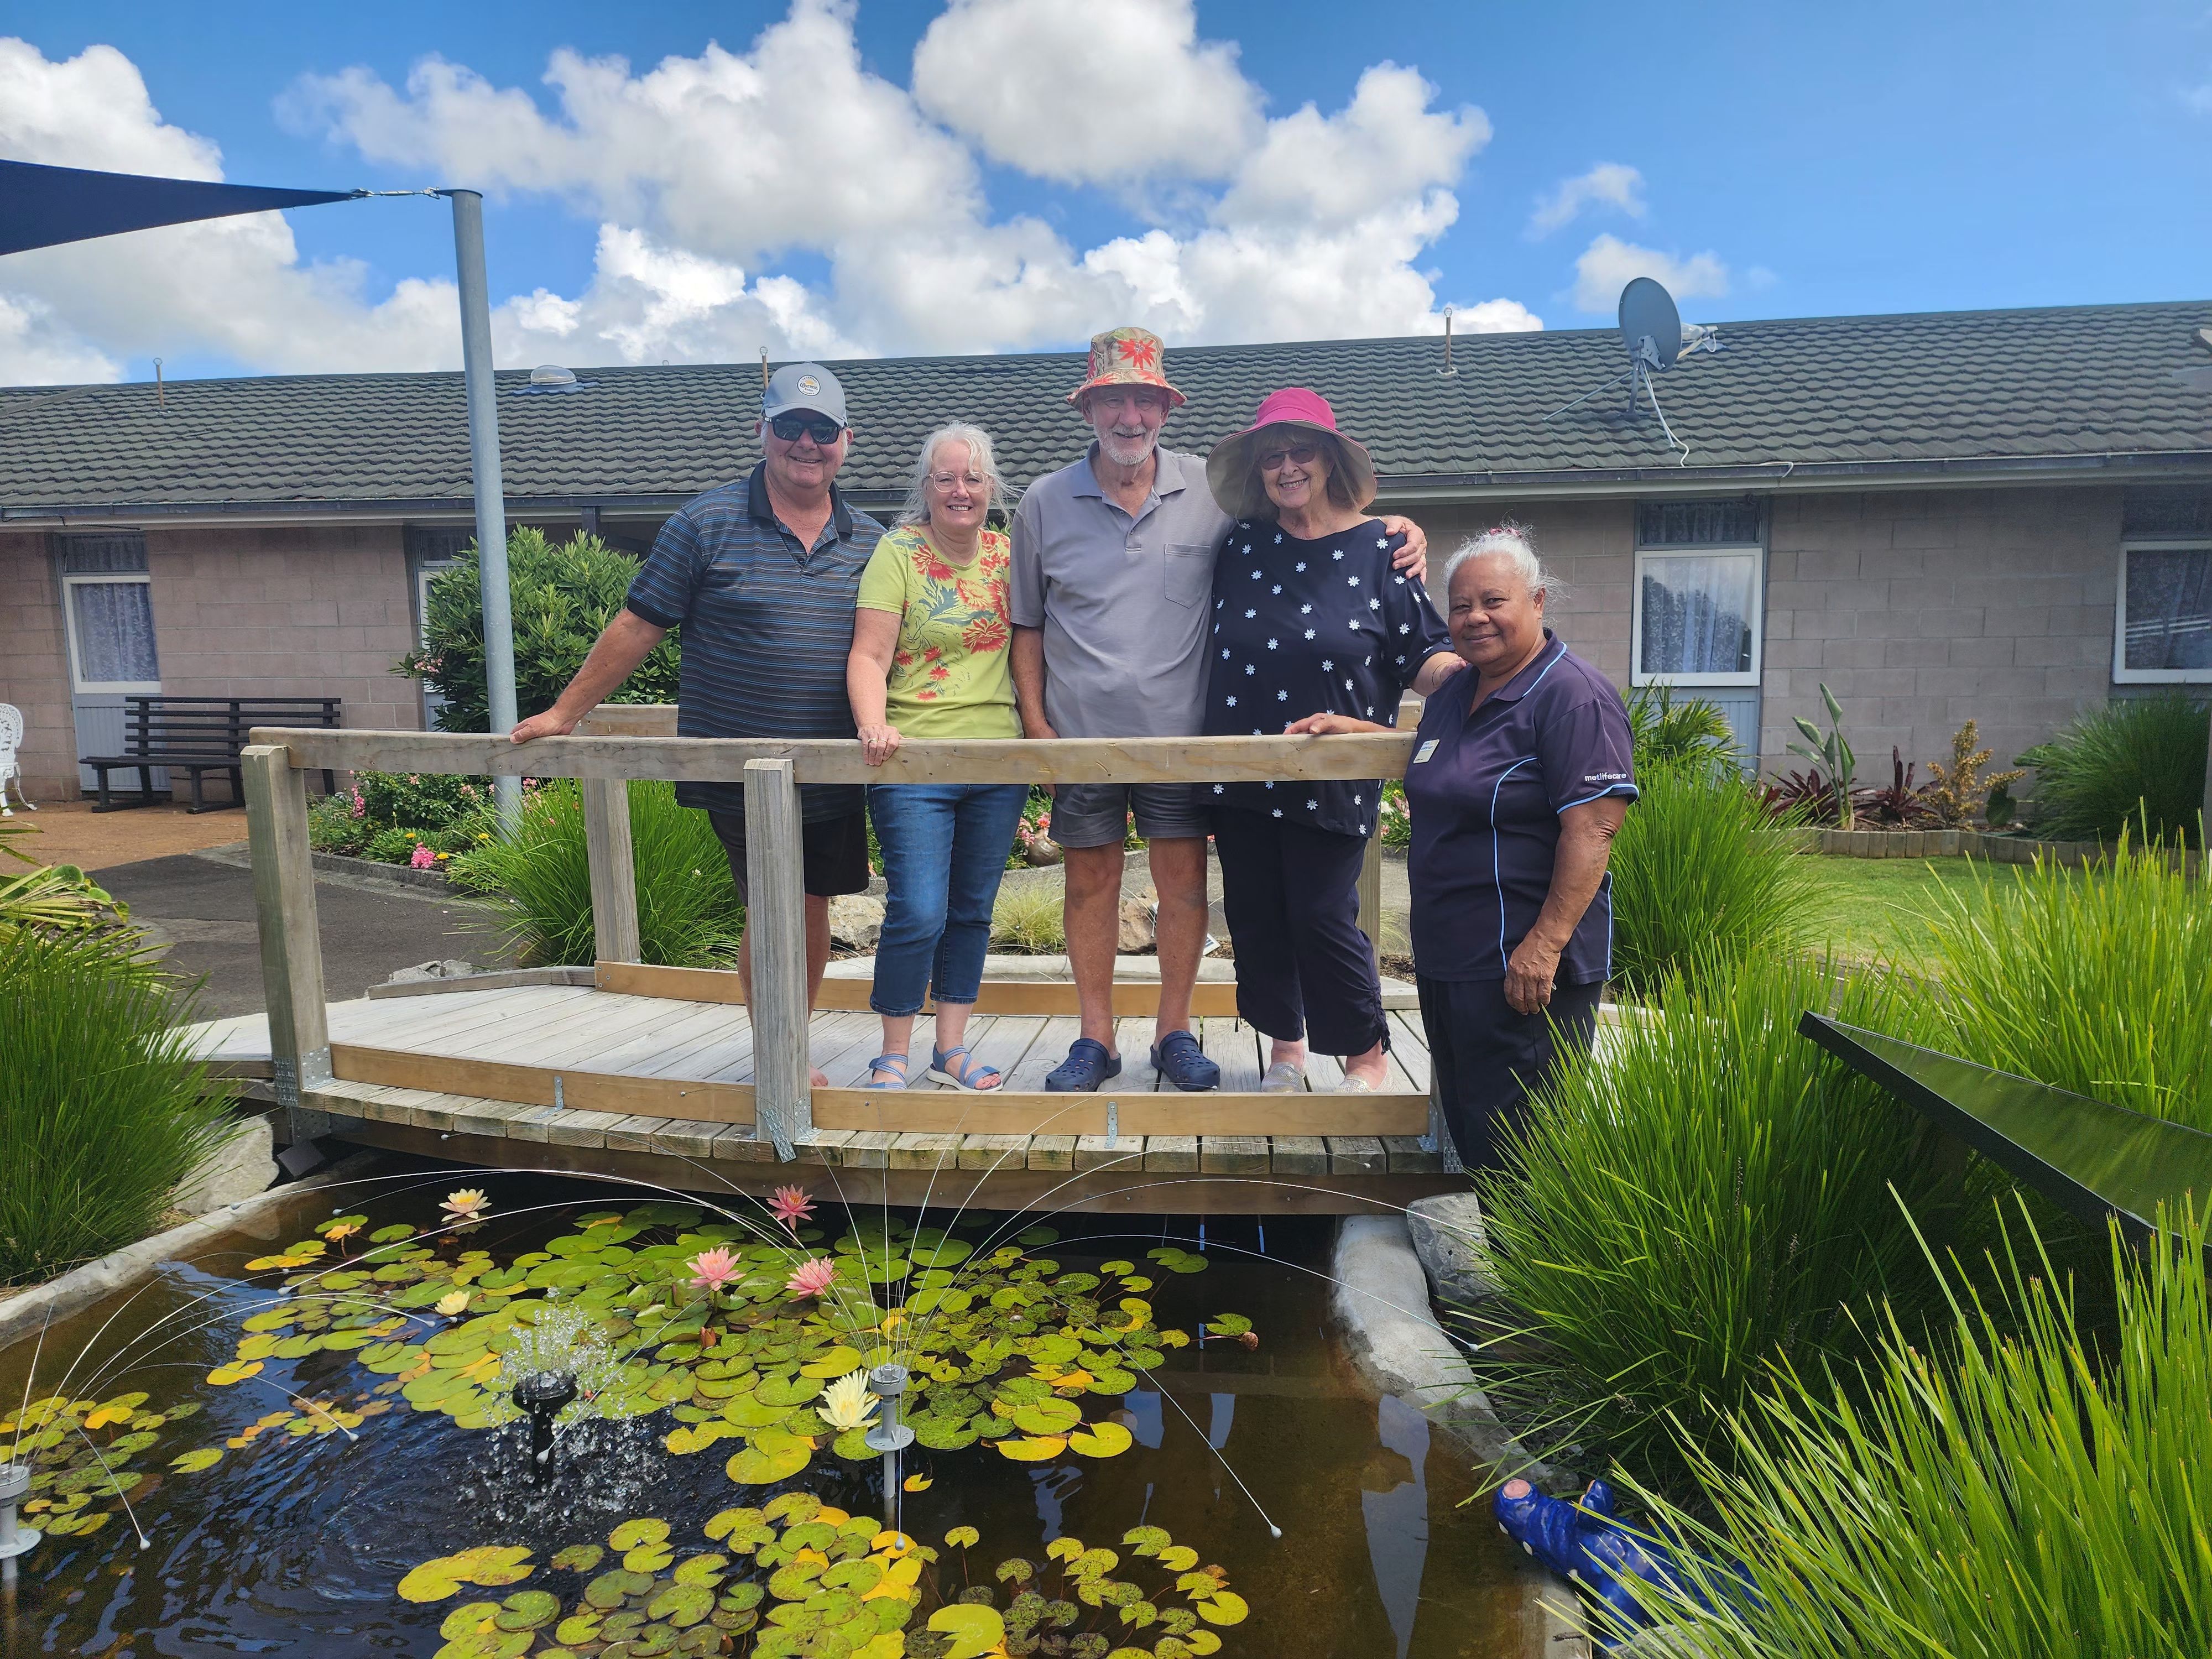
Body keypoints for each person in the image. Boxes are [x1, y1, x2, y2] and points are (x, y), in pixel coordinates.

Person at [1009, 326, 1431, 1093]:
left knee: (1188, 890)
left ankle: (1174, 1033)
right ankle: (1096, 1039)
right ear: (1088, 409)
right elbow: (1028, 625)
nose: (1130, 417)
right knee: (1093, 887)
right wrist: (1039, 731)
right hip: (1082, 738)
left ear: (1167, 409)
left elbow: (1327, 533)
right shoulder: (1044, 501)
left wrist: (1400, 530)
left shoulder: (1211, 494)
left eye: (1144, 400)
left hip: (1189, 742)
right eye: (1113, 401)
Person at [508, 362, 880, 1086]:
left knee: (811, 903)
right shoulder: (704, 523)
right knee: (771, 902)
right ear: (762, 431)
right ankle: (779, 1053)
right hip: (739, 766)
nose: (806, 443)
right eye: (790, 427)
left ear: (846, 441)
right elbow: (637, 625)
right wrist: (565, 712)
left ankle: (791, 1036)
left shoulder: (870, 538)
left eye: (822, 429)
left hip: (833, 767)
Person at [1287, 524, 1635, 1171]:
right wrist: (1354, 730)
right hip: (1452, 959)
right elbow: (1440, 757)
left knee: (1525, 1153)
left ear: (1537, 601)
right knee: (1477, 1138)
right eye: (1460, 606)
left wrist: (1545, 946)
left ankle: (1527, 1245)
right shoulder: (1458, 690)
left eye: (1493, 601)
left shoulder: (1572, 697)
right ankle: (1493, 1240)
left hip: (1521, 966)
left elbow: (1594, 830)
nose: (1475, 618)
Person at [1203, 388, 1463, 1093]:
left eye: (1301, 452)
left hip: (1334, 768)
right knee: (1255, 915)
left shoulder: (1381, 548)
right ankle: (1285, 1052)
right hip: (1240, 766)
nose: (1287, 467)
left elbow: (1423, 651)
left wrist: (1476, 676)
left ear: (1329, 461)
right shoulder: (1240, 544)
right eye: (1272, 457)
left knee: (1322, 916)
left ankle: (1364, 1056)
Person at [846, 424, 1029, 1092]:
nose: (960, 490)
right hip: (913, 762)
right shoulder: (898, 551)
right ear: (926, 487)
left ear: (991, 488)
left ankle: (949, 1049)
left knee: (971, 910)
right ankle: (892, 1051)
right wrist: (873, 724)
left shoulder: (1010, 554)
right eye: (946, 478)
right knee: (918, 909)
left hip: (997, 763)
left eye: (973, 478)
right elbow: (868, 654)